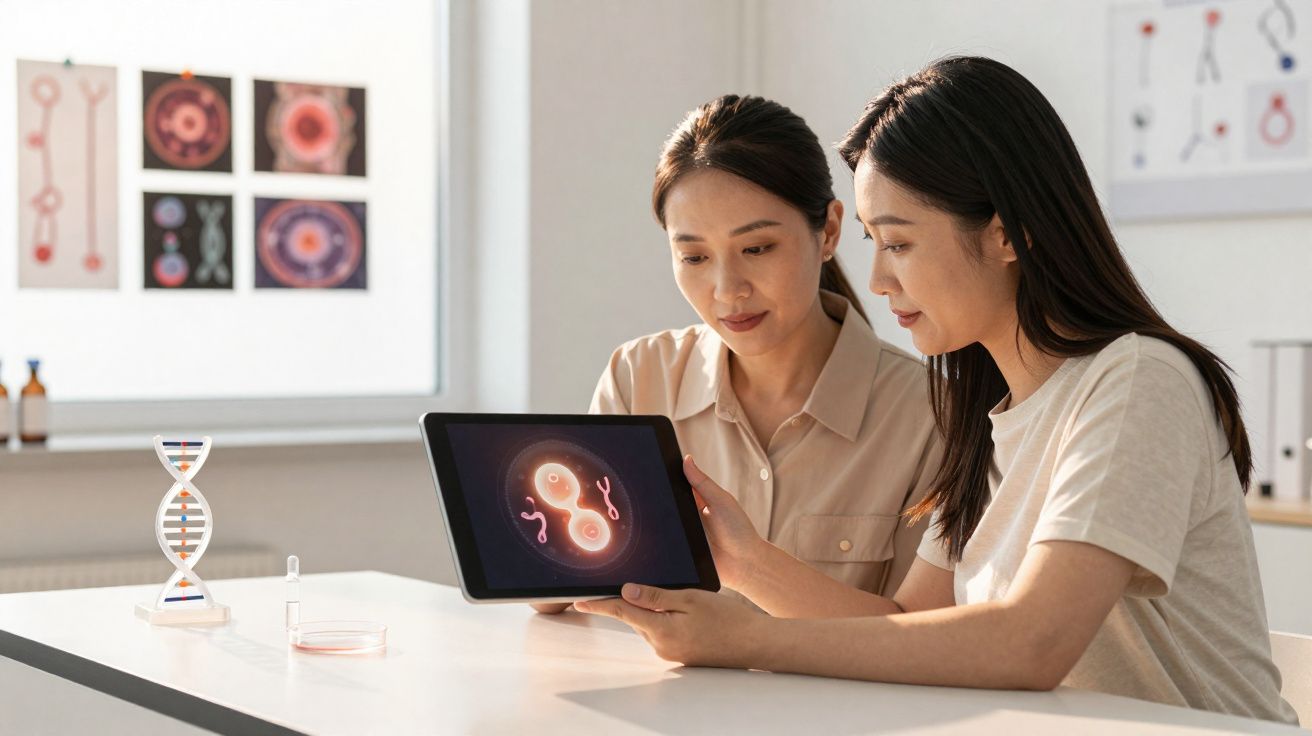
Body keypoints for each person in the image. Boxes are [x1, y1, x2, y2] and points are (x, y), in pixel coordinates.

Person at [576, 57, 1298, 725]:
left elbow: (1029, 643)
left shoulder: (1137, 381)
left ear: (1007, 233)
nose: (880, 281)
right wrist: (744, 564)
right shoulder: (990, 418)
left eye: (899, 242)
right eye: (872, 243)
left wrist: (749, 641)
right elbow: (902, 631)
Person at [535, 95, 942, 614]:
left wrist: (748, 571)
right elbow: (563, 583)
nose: (727, 291)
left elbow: (921, 635)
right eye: (694, 257)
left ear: (830, 232)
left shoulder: (928, 414)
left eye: (756, 249)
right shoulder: (639, 378)